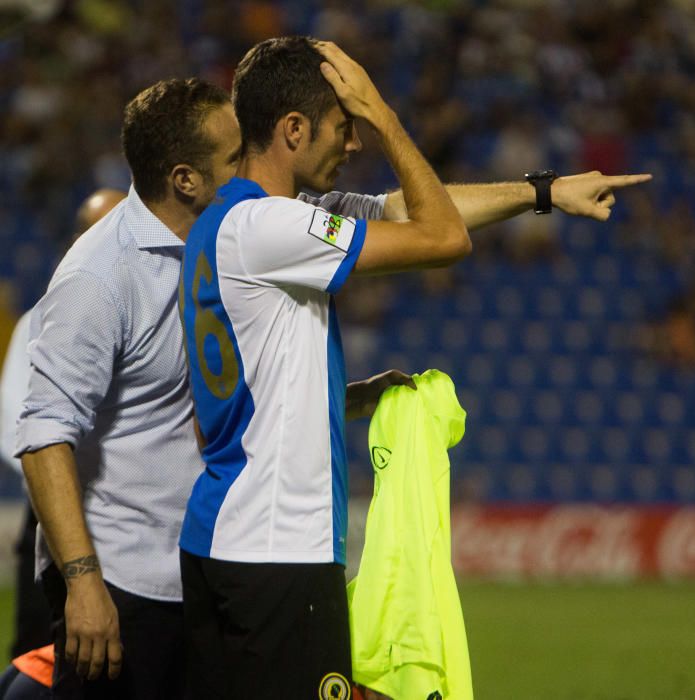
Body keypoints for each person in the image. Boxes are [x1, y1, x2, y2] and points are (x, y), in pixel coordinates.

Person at [16, 70, 649, 700]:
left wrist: (544, 192)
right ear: (185, 179)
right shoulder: (103, 276)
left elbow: (395, 213)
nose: (255, 160)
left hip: (206, 561)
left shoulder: (249, 225)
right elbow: (44, 432)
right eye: (237, 154)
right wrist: (82, 580)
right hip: (130, 585)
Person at [0, 190, 125, 662]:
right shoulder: (40, 320)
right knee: (38, 658)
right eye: (97, 228)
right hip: (54, 513)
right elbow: (25, 431)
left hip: (125, 521)